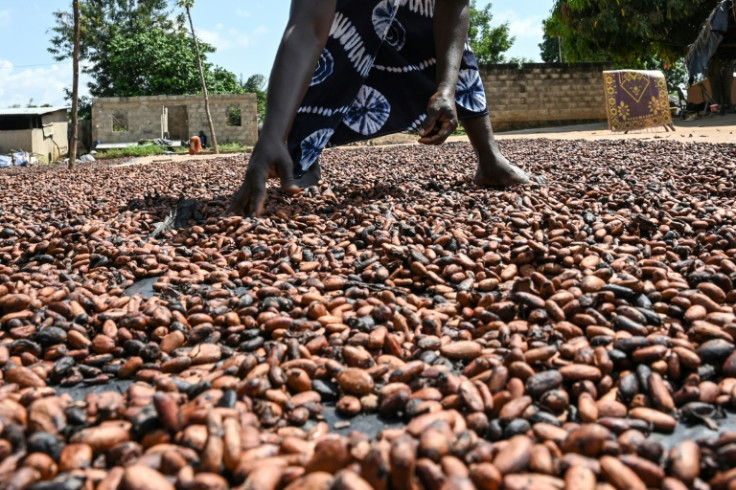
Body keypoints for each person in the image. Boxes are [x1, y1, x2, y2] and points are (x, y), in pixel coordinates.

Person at [229, 0, 534, 216]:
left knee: (428, 12)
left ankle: (489, 157)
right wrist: (272, 134)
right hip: (347, 36)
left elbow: (454, 5)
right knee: (349, 17)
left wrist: (446, 89)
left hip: (414, 28)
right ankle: (299, 147)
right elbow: (308, 26)